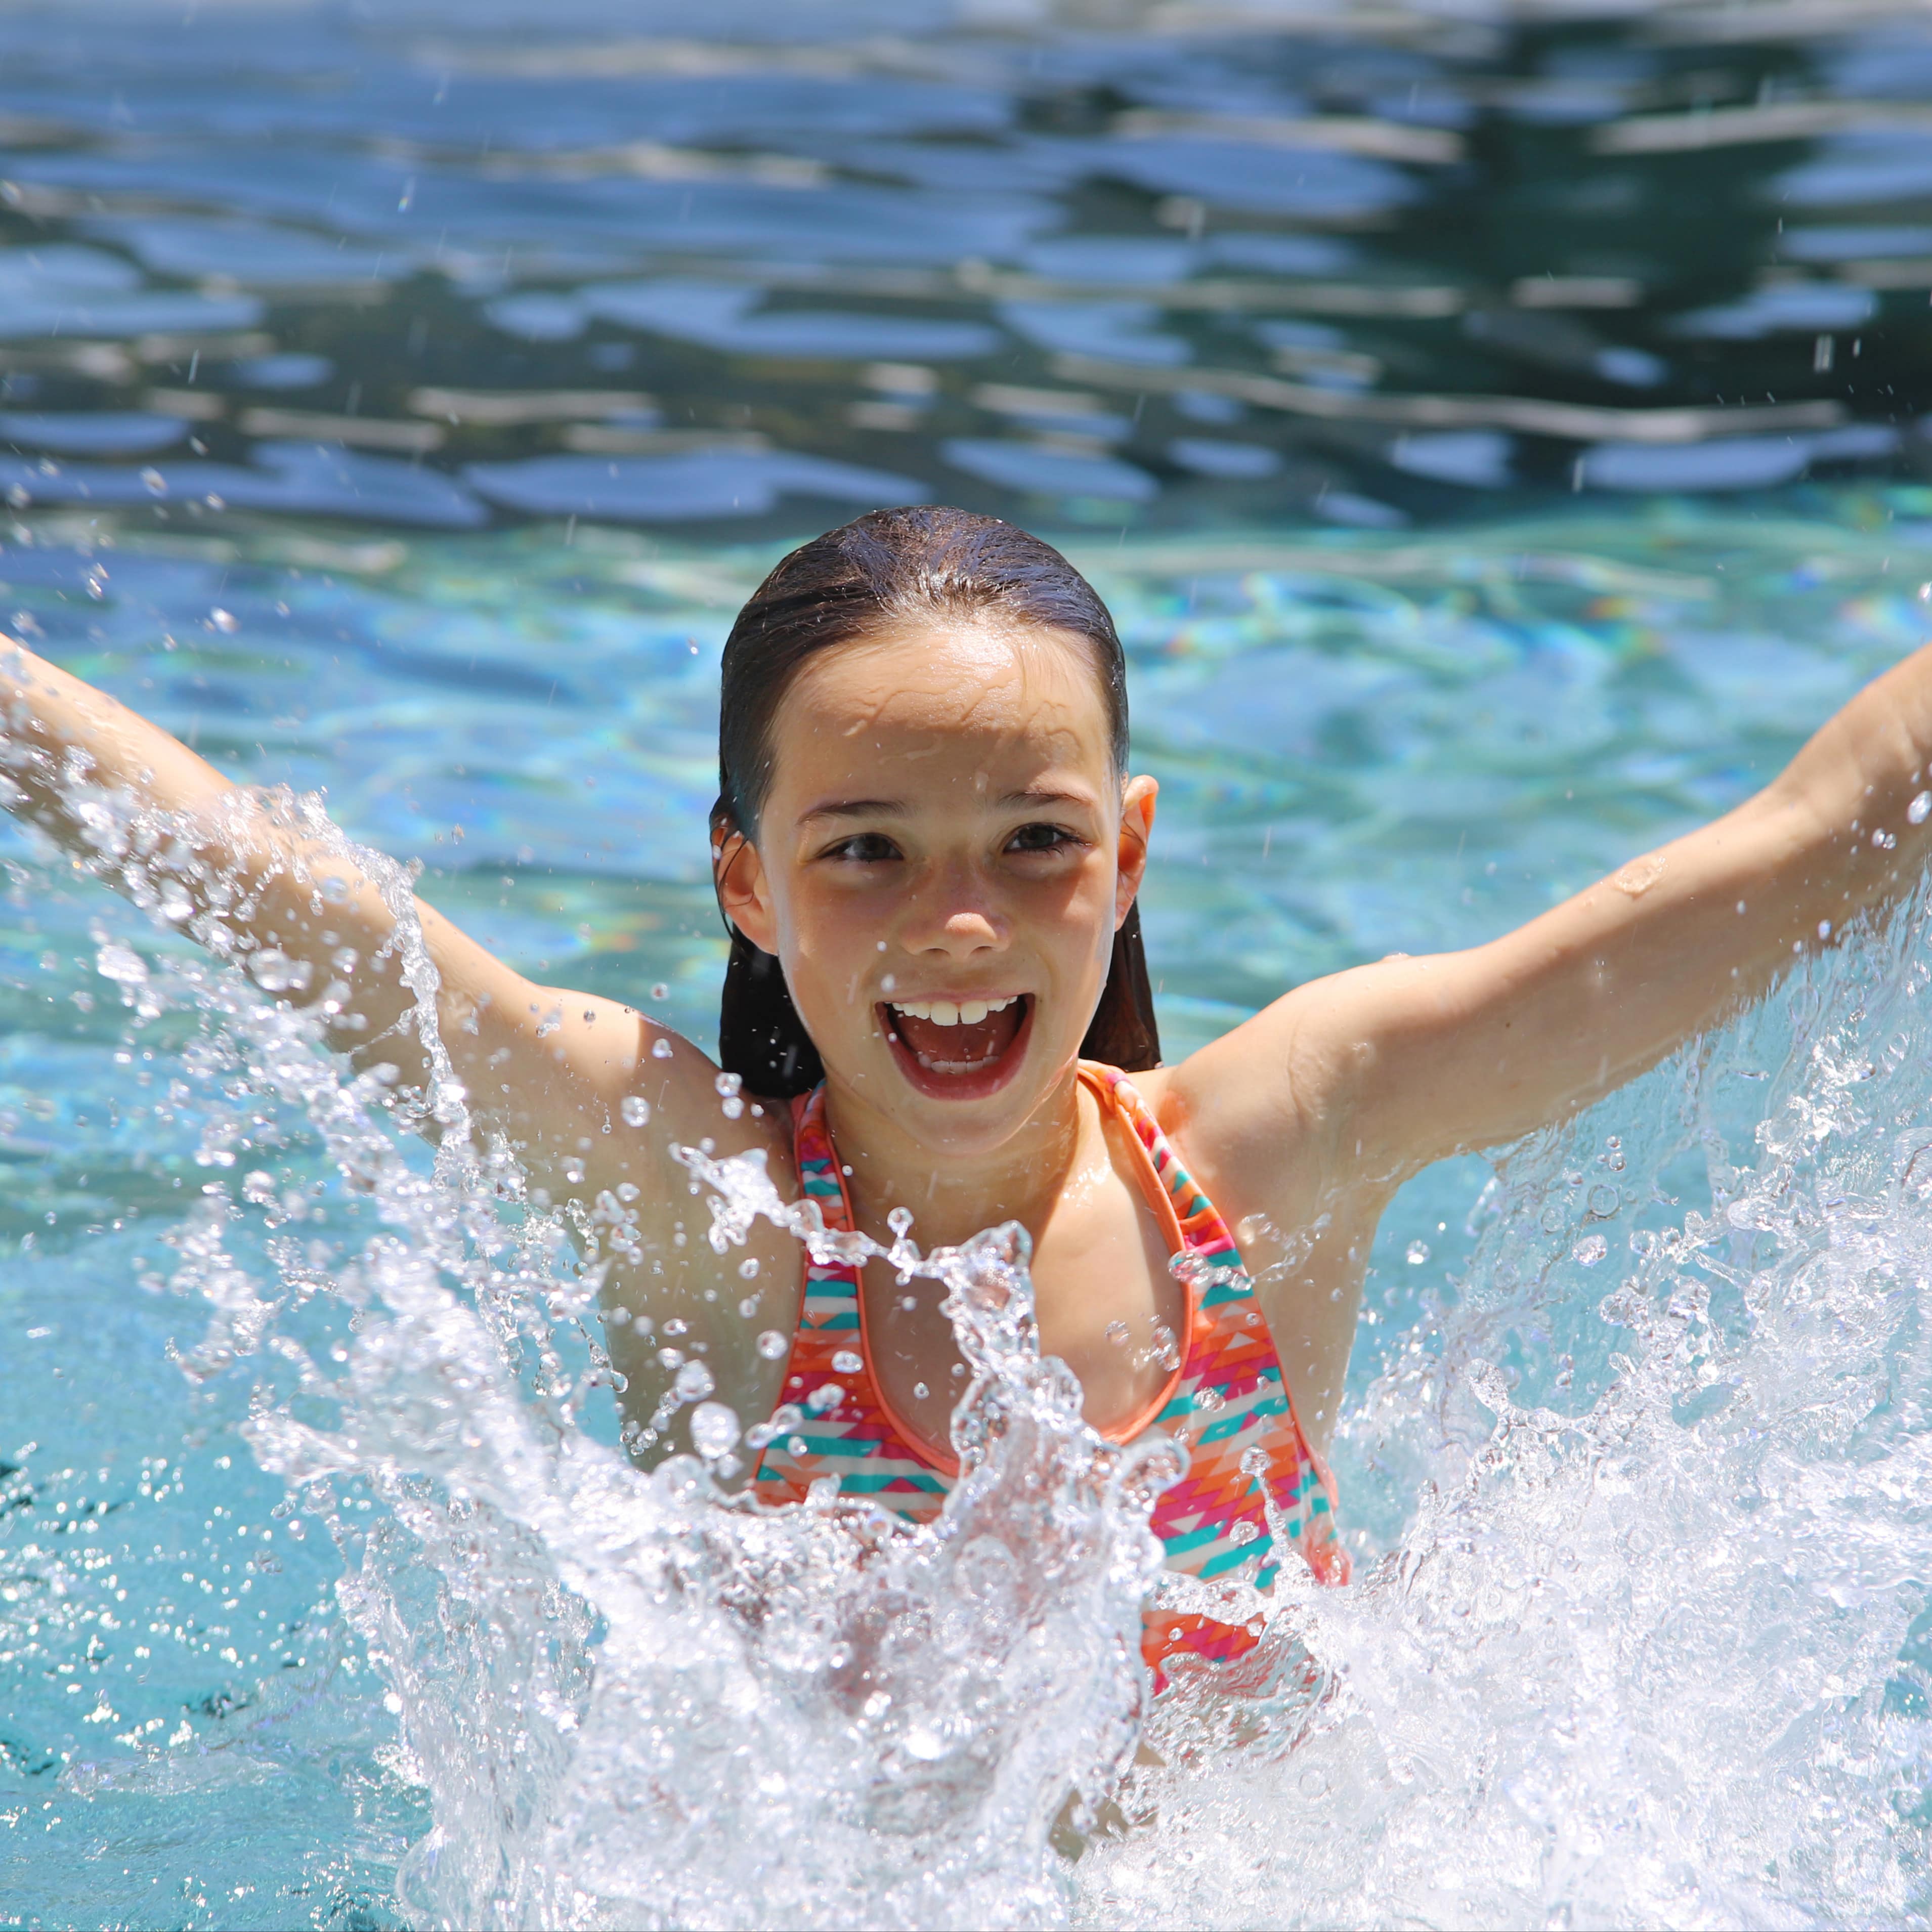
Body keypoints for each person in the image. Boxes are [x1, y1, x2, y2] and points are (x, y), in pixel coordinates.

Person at [4, 504, 1929, 1685]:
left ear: (1132, 850)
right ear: (743, 877)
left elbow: (1814, 839)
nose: (958, 923)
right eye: (862, 849)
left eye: (1033, 841)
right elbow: (293, 907)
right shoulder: (711, 1212)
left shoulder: (1282, 1144)